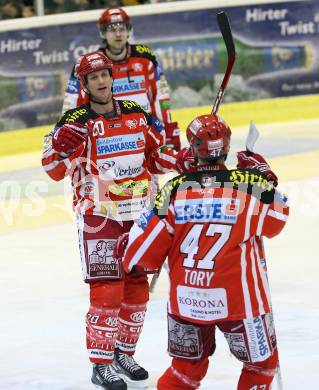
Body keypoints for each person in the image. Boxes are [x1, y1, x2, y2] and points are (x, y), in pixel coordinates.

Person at [41, 51, 191, 390]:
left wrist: (183, 159)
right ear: (84, 84)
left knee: (137, 289)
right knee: (107, 291)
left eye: (104, 75)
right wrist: (60, 150)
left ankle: (124, 353)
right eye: (93, 78)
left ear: (112, 77)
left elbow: (156, 156)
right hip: (99, 216)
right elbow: (52, 170)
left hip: (138, 212)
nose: (101, 81)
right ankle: (101, 363)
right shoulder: (73, 121)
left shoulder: (138, 114)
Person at [117, 114, 289, 389]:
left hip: (187, 302)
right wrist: (264, 176)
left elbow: (139, 253)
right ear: (228, 146)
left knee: (185, 370)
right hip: (239, 303)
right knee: (262, 365)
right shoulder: (248, 186)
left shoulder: (174, 189)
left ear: (192, 148)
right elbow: (278, 218)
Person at [62, 6, 181, 152]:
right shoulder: (87, 64)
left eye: (122, 28)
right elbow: (72, 101)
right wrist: (68, 130)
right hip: (106, 138)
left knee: (149, 173)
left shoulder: (146, 56)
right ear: (103, 32)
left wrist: (167, 127)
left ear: (129, 30)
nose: (118, 34)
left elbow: (160, 96)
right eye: (112, 29)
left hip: (143, 130)